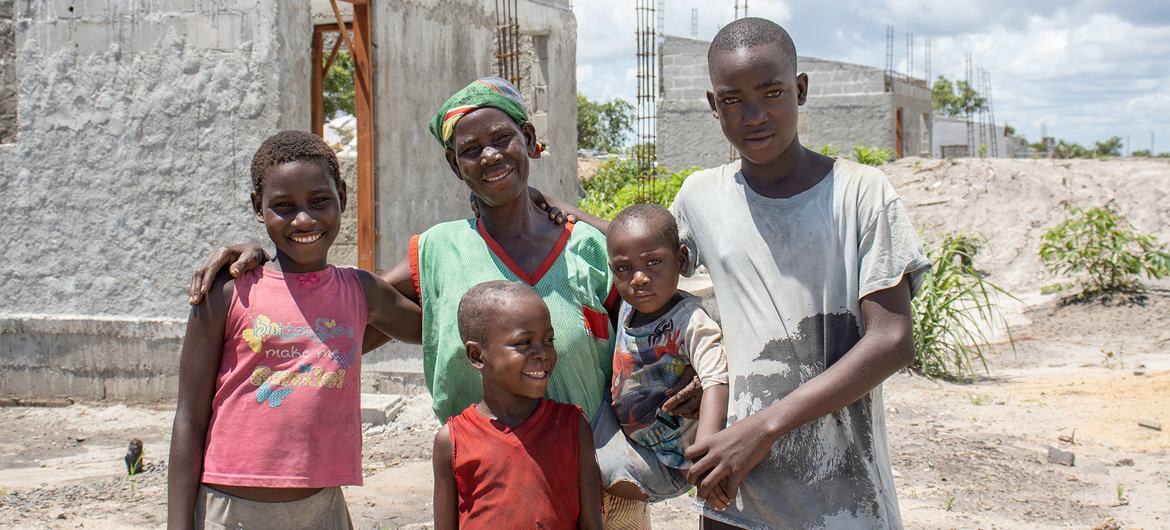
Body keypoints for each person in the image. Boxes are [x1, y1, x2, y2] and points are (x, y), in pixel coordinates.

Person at [185, 78, 704, 526]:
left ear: (529, 139)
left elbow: (657, 323)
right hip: (486, 486)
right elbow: (326, 310)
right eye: (470, 148)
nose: (491, 155)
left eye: (503, 138)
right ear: (455, 166)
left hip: (597, 484)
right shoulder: (435, 250)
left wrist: (695, 372)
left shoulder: (592, 250)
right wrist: (263, 261)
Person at [539, 18, 931, 529]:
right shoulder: (702, 197)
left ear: (801, 89)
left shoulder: (861, 195)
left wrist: (761, 428)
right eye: (732, 99)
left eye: (771, 93)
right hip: (733, 495)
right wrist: (558, 211)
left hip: (844, 499)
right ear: (712, 104)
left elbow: (893, 339)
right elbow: (643, 253)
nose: (754, 114)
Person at [167, 130, 423, 530]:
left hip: (322, 510)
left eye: (319, 200)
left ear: (342, 194)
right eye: (283, 206)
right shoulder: (228, 291)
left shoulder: (360, 291)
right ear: (258, 207)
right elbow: (189, 419)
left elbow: (431, 324)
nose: (303, 219)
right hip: (230, 511)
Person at [432, 280, 602, 529]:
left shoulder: (572, 427)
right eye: (523, 343)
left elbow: (592, 525)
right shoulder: (453, 441)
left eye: (548, 340)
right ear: (477, 356)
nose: (543, 353)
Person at [603, 204, 732, 508]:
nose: (639, 278)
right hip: (632, 439)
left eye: (654, 262)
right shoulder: (627, 309)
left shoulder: (689, 321)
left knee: (597, 470)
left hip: (670, 463)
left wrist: (707, 462)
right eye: (624, 268)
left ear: (681, 259)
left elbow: (716, 382)